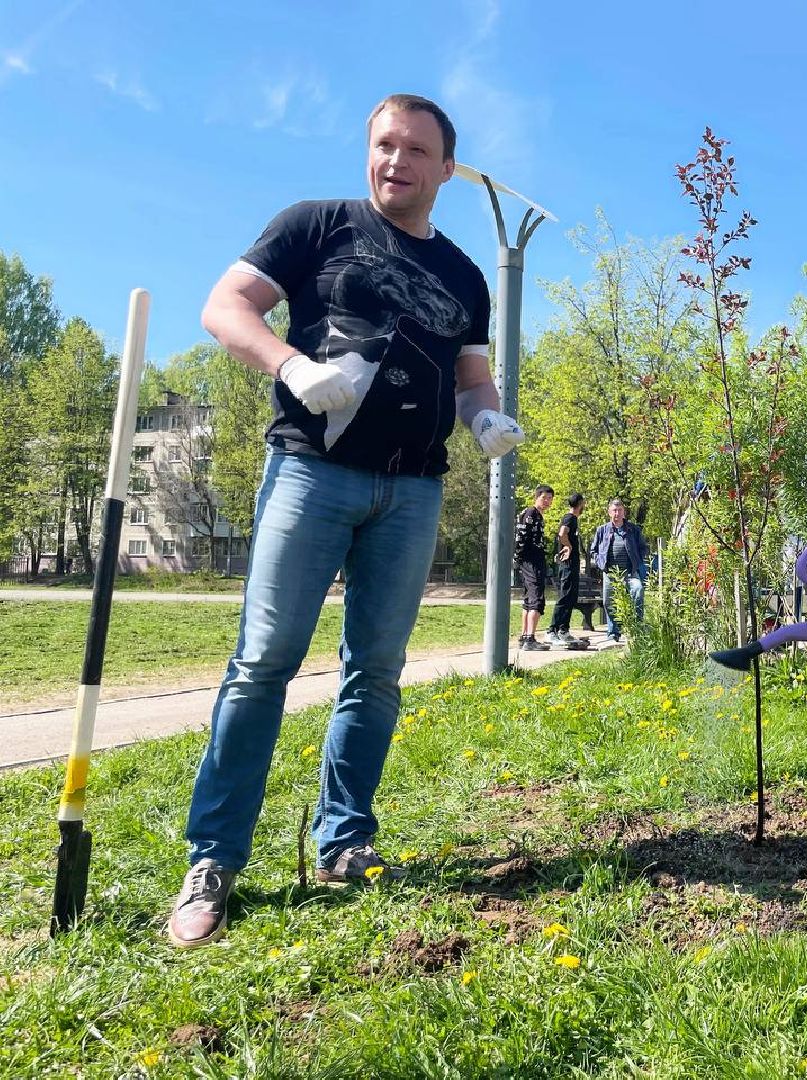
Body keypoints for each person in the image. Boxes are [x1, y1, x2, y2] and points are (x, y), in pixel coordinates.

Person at [167, 93, 525, 949]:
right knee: (262, 664)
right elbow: (224, 308)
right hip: (310, 472)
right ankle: (214, 860)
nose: (396, 161)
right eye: (384, 145)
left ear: (446, 168)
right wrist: (291, 365)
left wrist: (486, 417)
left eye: (416, 150)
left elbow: (472, 374)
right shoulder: (315, 225)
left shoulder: (467, 276)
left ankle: (344, 841)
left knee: (376, 673)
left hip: (413, 491)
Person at [589, 496, 649, 644]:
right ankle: (613, 632)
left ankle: (637, 628)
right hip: (610, 573)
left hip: (630, 573)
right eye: (614, 510)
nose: (617, 513)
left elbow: (644, 548)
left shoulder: (633, 530)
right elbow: (593, 550)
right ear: (609, 512)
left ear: (624, 512)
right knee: (608, 602)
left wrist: (638, 560)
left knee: (638, 591)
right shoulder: (602, 530)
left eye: (620, 510)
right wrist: (600, 563)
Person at [515, 485, 555, 651]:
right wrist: (520, 558)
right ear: (537, 497)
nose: (547, 502)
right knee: (536, 598)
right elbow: (521, 538)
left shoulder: (537, 515)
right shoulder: (531, 513)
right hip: (530, 560)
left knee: (528, 598)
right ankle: (530, 638)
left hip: (533, 559)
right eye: (544, 498)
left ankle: (524, 636)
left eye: (550, 499)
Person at [545, 493, 586, 646]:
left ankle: (564, 630)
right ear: (581, 503)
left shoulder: (574, 519)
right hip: (567, 564)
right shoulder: (569, 518)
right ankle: (552, 631)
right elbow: (562, 533)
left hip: (572, 564)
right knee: (565, 596)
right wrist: (568, 546)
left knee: (571, 597)